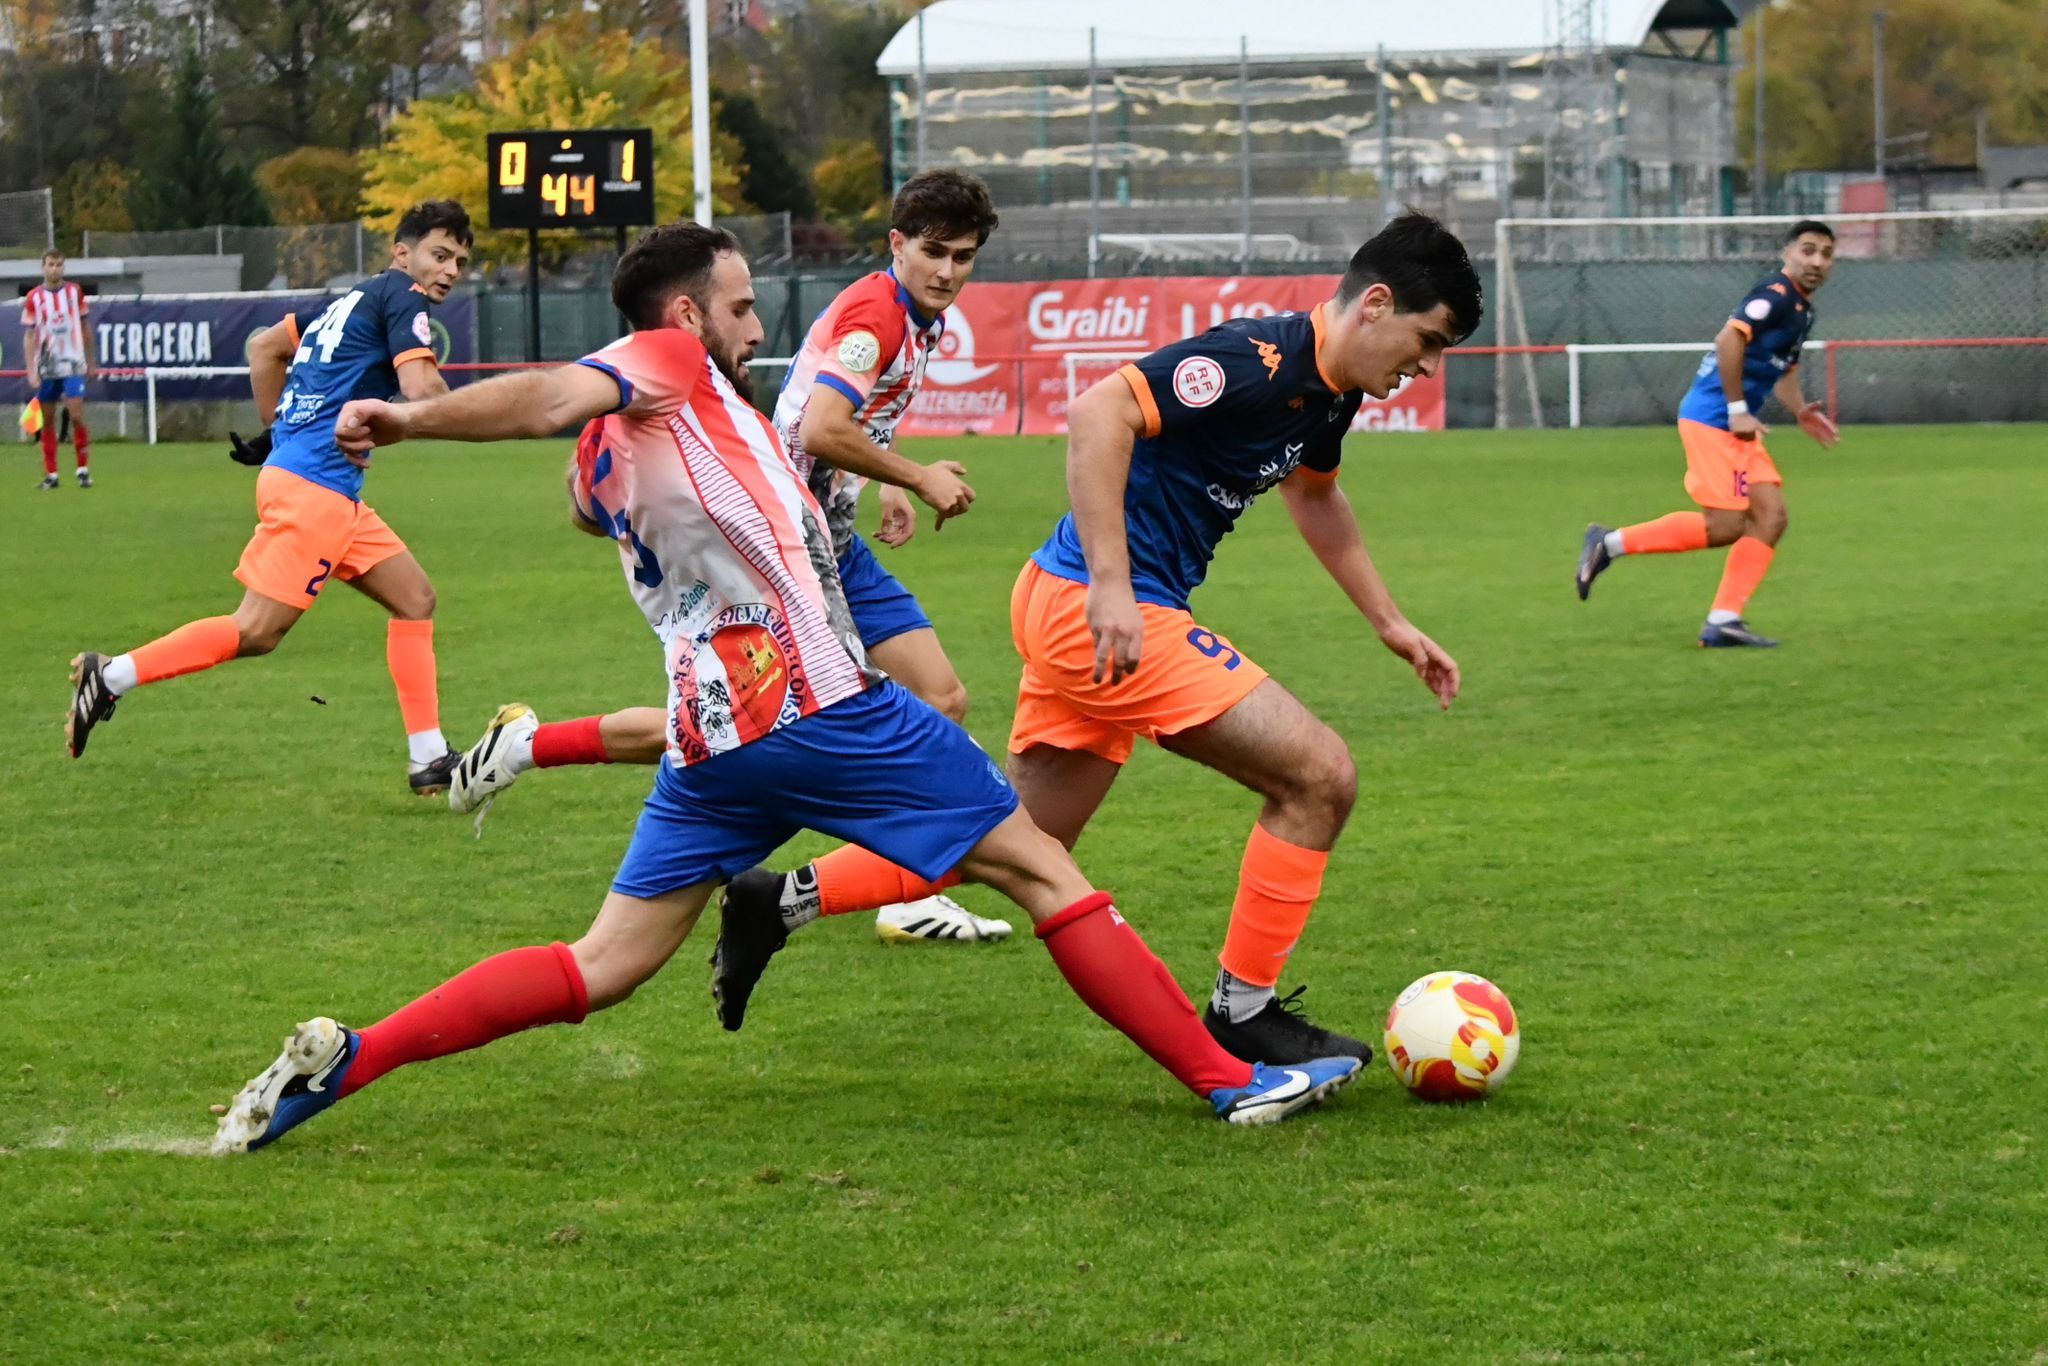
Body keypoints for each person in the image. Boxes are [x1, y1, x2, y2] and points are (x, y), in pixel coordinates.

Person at [208, 223, 1360, 1155]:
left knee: (601, 964)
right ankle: (1230, 1079)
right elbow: (558, 396)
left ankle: (349, 1057)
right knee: (1039, 867)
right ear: (681, 317)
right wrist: (407, 414)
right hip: (818, 703)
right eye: (743, 306)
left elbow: (588, 470)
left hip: (715, 737)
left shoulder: (636, 441)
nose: (759, 326)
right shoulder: (662, 367)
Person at [711, 212, 1481, 1070]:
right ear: (1375, 304)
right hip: (1102, 609)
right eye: (1429, 340)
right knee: (1319, 776)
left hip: (1074, 603)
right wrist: (1113, 585)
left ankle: (778, 899)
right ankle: (1243, 1010)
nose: (1426, 365)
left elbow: (1316, 496)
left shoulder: (1327, 396)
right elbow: (1095, 413)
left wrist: (1391, 622)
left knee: (1023, 839)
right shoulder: (1254, 362)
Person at [446, 169, 1012, 944]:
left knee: (881, 706)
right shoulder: (875, 316)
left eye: (965, 256)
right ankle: (841, 891)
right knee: (765, 722)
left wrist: (883, 479)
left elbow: (844, 421)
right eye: (935, 252)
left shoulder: (917, 315)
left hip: (823, 530)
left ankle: (531, 744)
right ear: (897, 246)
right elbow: (817, 427)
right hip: (788, 547)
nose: (949, 270)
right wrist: (916, 475)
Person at [64, 201, 474, 795]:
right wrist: (495, 410)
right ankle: (111, 675)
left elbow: (263, 347)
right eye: (440, 255)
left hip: (322, 486)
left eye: (460, 261)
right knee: (256, 631)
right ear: (402, 253)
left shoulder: (350, 301)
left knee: (415, 599)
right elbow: (423, 389)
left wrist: (277, 430)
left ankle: (429, 757)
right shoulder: (403, 298)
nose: (451, 270)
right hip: (317, 490)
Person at [1576, 221, 1840, 647]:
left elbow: (1784, 370)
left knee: (1771, 517)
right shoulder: (1773, 296)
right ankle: (1608, 543)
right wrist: (1737, 410)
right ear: (1787, 253)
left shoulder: (1802, 310)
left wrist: (1800, 411)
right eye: (1808, 250)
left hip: (1739, 426)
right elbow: (1728, 339)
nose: (1817, 261)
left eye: (1826, 254)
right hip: (1714, 419)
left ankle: (1723, 621)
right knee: (1725, 526)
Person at [24, 249, 96, 489]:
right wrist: (31, 370)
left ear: (63, 267)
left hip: (74, 362)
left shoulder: (75, 292)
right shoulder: (34, 297)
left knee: (76, 416)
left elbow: (85, 327)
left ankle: (83, 470)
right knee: (48, 420)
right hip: (48, 366)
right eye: (50, 264)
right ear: (43, 267)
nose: (54, 269)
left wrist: (91, 361)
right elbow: (30, 335)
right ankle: (52, 475)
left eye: (58, 265)